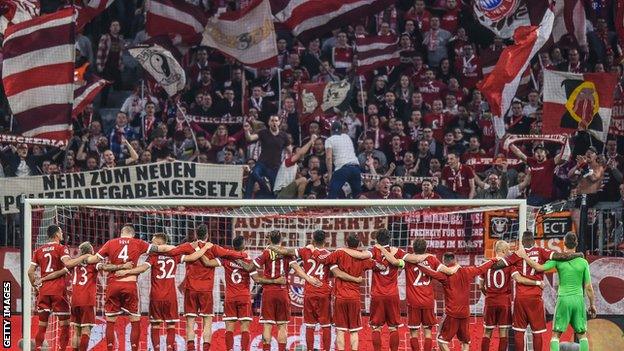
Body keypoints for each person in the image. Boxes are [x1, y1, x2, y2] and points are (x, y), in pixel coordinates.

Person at [113, 233, 212, 351]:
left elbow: (143, 268)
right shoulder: (175, 256)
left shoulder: (153, 257)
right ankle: (170, 348)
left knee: (155, 325)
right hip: (171, 297)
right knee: (171, 325)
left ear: (161, 244)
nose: (151, 245)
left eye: (153, 242)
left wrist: (126, 272)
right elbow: (192, 257)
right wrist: (204, 248)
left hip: (156, 297)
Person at [268, 230, 362, 351]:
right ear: (325, 241)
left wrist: (270, 245)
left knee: (310, 326)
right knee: (326, 325)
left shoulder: (305, 251)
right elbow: (337, 273)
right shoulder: (330, 254)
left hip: (310, 292)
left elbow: (284, 251)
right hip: (324, 293)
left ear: (313, 239)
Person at [84, 224, 172, 351]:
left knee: (110, 320)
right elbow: (159, 248)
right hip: (130, 284)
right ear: (133, 234)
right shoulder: (138, 243)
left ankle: (110, 349)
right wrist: (177, 248)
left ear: (121, 233)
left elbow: (93, 260)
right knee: (135, 320)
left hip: (113, 284)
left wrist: (84, 258)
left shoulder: (110, 243)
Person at [418, 251, 522, 351]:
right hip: (465, 314)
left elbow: (431, 273)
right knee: (465, 342)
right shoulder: (467, 271)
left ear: (444, 262)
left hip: (452, 313)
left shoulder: (445, 276)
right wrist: (493, 260)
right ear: (455, 260)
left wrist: (418, 264)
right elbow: (481, 269)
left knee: (441, 341)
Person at [170, 224, 248, 351]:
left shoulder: (188, 246)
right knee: (207, 322)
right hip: (206, 290)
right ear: (207, 235)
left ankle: (191, 348)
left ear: (196, 234)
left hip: (190, 289)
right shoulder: (213, 248)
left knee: (190, 322)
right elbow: (231, 253)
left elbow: (173, 252)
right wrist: (243, 255)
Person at [519, 232, 597, 351]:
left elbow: (539, 267)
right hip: (578, 300)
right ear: (576, 244)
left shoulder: (558, 260)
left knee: (556, 335)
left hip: (563, 299)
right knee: (582, 334)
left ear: (564, 244)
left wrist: (525, 256)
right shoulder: (583, 262)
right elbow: (589, 287)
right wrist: (592, 305)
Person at [248, 230, 319, 351]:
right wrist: (308, 278)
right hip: (282, 293)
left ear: (269, 240)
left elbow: (251, 267)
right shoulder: (287, 253)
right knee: (282, 325)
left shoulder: (266, 253)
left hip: (268, 293)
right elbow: (297, 269)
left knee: (267, 325)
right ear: (281, 240)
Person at [315, 233, 387, 351]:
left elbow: (321, 260)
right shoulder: (363, 257)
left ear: (346, 243)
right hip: (354, 298)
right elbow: (382, 267)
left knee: (340, 330)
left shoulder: (339, 253)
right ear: (358, 244)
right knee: (354, 331)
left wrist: (315, 251)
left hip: (340, 297)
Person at [28, 225, 91, 351]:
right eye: (61, 232)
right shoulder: (61, 248)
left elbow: (30, 272)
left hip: (44, 290)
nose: (62, 234)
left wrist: (35, 287)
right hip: (58, 290)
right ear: (57, 234)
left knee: (42, 326)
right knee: (65, 325)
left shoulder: (39, 250)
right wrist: (83, 257)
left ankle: (38, 348)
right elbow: (68, 263)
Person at [221, 236, 287, 351]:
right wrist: (275, 281)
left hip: (230, 297)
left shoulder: (227, 259)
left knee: (229, 327)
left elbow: (210, 262)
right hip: (244, 297)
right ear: (244, 246)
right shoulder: (248, 261)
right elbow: (257, 280)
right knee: (245, 327)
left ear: (233, 246)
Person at [478, 241, 544, 351]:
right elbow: (518, 278)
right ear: (503, 251)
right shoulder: (509, 265)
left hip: (490, 302)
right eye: (508, 250)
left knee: (487, 332)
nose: (509, 252)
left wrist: (488, 294)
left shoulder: (486, 264)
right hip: (504, 302)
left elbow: (480, 286)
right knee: (503, 334)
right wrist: (537, 283)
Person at [70, 242, 131, 351]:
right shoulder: (93, 263)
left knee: (76, 331)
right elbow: (105, 267)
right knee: (86, 330)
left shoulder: (74, 264)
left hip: (74, 300)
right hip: (87, 300)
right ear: (92, 252)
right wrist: (122, 266)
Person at [243, 115, 289, 198]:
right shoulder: (263, 132)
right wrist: (246, 131)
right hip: (262, 163)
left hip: (275, 166)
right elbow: (250, 138)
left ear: (279, 122)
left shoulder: (284, 136)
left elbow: (290, 150)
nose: (274, 122)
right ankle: (246, 201)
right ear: (268, 123)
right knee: (253, 174)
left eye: (275, 120)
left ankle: (272, 205)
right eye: (272, 120)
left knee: (274, 190)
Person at [325, 121, 362, 198]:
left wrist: (330, 174)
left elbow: (329, 158)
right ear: (341, 130)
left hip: (343, 169)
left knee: (332, 193)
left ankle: (327, 210)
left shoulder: (329, 140)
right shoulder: (347, 137)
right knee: (357, 195)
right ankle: (361, 209)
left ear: (331, 130)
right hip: (355, 167)